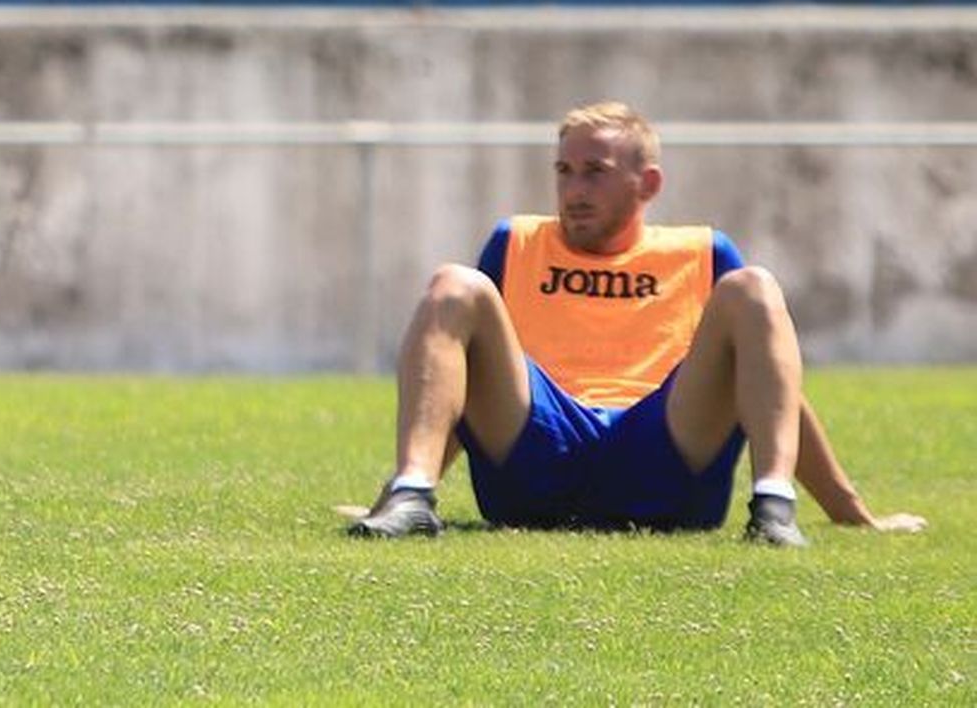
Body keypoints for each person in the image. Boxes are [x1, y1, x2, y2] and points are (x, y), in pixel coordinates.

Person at [348, 102, 926, 546]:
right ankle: (413, 497)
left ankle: (773, 509)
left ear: (647, 183)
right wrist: (397, 487)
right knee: (454, 284)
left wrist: (851, 512)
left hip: (662, 451)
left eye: (594, 173)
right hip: (540, 449)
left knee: (754, 287)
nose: (574, 190)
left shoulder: (702, 253)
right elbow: (464, 377)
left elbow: (769, 387)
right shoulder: (516, 243)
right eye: (564, 171)